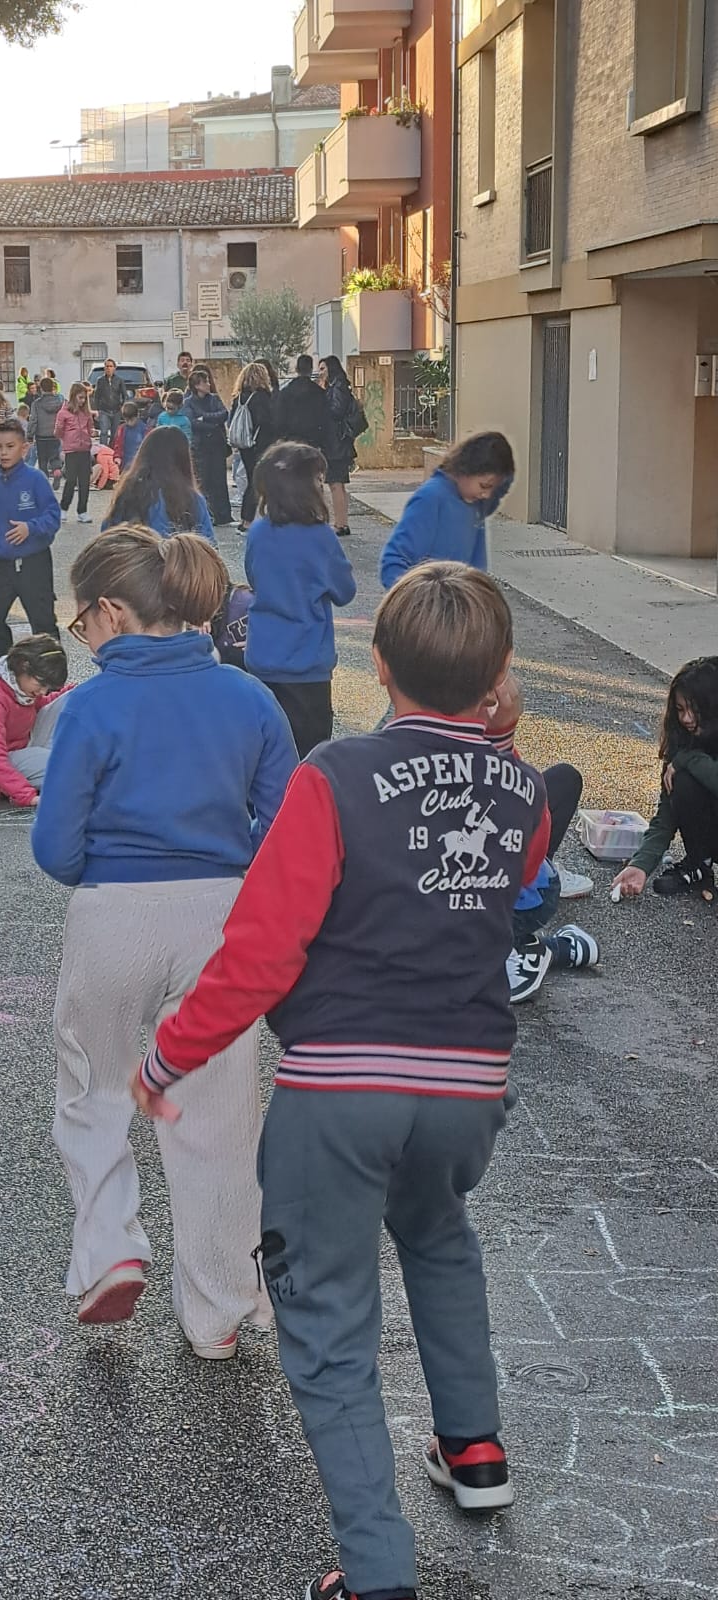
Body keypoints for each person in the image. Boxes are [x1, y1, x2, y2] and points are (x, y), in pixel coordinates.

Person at [133, 562, 551, 1600]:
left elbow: (262, 952)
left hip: (340, 1086)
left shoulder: (335, 777)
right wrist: (502, 736)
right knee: (438, 1233)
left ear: (377, 665)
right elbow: (522, 862)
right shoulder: (523, 789)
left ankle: (375, 1570)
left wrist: (169, 1053)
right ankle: (474, 1448)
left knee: (325, 1317)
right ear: (500, 671)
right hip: (467, 1086)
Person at [31, 528, 294, 1349]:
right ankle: (218, 1313)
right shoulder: (249, 698)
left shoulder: (90, 706)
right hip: (220, 919)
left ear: (111, 611)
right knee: (216, 1119)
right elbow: (286, 825)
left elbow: (54, 847)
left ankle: (111, 1248)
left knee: (94, 1088)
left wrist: (105, 865)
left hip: (113, 913)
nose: (82, 636)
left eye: (81, 621)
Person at [482, 677, 598, 1003]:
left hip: (519, 891)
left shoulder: (502, 771)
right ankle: (555, 947)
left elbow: (526, 862)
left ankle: (530, 948)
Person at [243, 442, 357, 756]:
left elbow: (254, 577)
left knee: (266, 752)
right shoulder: (320, 536)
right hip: (307, 663)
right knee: (309, 755)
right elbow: (345, 591)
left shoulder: (258, 532)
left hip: (263, 656)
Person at [0, 418, 62, 672]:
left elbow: (53, 517)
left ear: (24, 449)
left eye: (10, 446)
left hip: (34, 562)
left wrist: (31, 527)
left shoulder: (36, 479)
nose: (3, 453)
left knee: (43, 621)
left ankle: (52, 675)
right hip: (3, 564)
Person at [613, 656, 718, 902]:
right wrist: (641, 864)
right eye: (680, 709)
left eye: (695, 710)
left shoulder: (684, 756)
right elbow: (667, 813)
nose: (686, 719)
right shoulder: (681, 739)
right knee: (682, 783)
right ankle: (699, 865)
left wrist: (688, 758)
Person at [380, 432, 515, 588]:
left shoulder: (476, 504)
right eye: (484, 485)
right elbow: (394, 563)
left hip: (464, 598)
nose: (487, 495)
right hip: (429, 599)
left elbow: (504, 485)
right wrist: (417, 599)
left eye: (493, 488)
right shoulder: (430, 498)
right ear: (465, 470)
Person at [0, 634, 72, 806]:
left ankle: (21, 782)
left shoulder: (21, 683)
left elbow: (43, 704)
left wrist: (74, 692)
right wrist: (27, 796)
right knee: (71, 767)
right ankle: (3, 787)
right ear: (23, 665)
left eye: (47, 686)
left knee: (75, 697)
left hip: (23, 745)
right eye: (41, 684)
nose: (43, 691)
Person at [101, 426, 214, 542]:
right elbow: (209, 543)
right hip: (178, 552)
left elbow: (107, 532)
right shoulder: (192, 499)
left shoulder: (128, 490)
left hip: (128, 551)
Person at [231, 361, 279, 531]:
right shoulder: (262, 397)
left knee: (252, 479)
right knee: (260, 481)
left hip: (245, 444)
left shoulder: (238, 398)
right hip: (260, 444)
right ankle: (257, 518)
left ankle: (246, 519)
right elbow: (267, 421)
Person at [317, 355, 362, 538]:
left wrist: (323, 397)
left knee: (335, 484)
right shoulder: (338, 385)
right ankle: (341, 522)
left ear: (331, 368)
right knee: (338, 484)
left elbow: (336, 410)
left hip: (336, 444)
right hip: (338, 443)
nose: (320, 372)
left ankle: (340, 524)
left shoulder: (338, 386)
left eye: (323, 369)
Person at [183, 368, 232, 526]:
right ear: (197, 385)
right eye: (205, 382)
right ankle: (204, 515)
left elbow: (223, 414)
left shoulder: (214, 399)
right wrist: (212, 423)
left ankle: (223, 515)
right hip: (200, 446)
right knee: (203, 481)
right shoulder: (188, 402)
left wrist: (204, 418)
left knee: (219, 480)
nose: (209, 384)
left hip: (217, 445)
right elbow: (192, 422)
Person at [54, 381, 96, 524]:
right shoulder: (63, 413)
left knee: (85, 482)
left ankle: (82, 511)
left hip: (85, 450)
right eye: (80, 397)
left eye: (84, 398)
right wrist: (63, 435)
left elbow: (90, 428)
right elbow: (58, 432)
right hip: (71, 451)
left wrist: (91, 433)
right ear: (73, 396)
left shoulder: (86, 413)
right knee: (71, 480)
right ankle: (63, 508)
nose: (83, 401)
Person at [278, 354, 332, 455]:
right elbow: (324, 418)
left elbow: (280, 417)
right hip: (313, 440)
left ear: (296, 369)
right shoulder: (319, 393)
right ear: (311, 370)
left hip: (291, 440)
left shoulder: (285, 392)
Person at [30, 378, 65, 476]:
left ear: (41, 388)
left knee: (42, 459)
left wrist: (29, 434)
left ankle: (44, 478)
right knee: (55, 457)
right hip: (55, 434)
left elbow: (33, 420)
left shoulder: (36, 404)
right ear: (52, 387)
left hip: (41, 436)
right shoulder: (60, 402)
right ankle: (56, 471)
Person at [112, 401, 150, 475]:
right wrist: (117, 457)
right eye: (127, 420)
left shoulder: (145, 429)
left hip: (140, 465)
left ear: (137, 415)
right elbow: (118, 445)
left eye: (132, 420)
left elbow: (148, 447)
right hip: (125, 465)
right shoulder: (122, 429)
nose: (129, 423)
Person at [93, 359, 125, 446]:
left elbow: (124, 395)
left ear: (114, 368)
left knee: (114, 433)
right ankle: (102, 449)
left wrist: (123, 406)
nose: (108, 368)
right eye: (107, 366)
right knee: (104, 432)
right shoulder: (100, 380)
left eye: (111, 366)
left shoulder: (119, 380)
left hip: (116, 410)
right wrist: (97, 409)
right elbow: (96, 396)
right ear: (104, 368)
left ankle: (112, 449)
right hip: (104, 410)